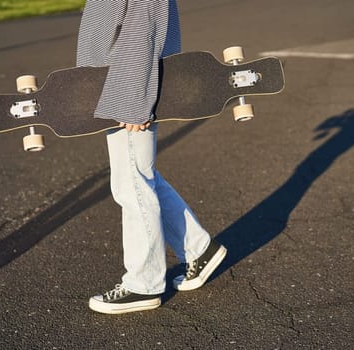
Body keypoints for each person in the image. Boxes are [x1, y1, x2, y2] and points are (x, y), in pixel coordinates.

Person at [75, 0, 227, 314]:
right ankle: (198, 249)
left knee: (132, 184)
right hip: (116, 85)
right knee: (137, 177)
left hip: (126, 88)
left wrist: (133, 97)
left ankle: (143, 285)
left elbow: (144, 29)